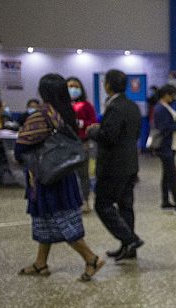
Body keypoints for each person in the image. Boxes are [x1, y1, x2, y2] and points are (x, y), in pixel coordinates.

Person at [14, 73, 105, 282]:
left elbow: (21, 148)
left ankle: (91, 258)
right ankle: (40, 263)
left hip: (46, 178)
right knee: (45, 219)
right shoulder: (66, 113)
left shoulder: (41, 115)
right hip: (63, 174)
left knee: (61, 221)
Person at [86, 69, 144, 261]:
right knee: (125, 206)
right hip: (129, 164)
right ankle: (128, 247)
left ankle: (130, 239)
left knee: (102, 204)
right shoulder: (132, 106)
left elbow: (109, 137)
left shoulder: (114, 107)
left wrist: (93, 131)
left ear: (108, 85)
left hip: (113, 167)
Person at [152, 84, 176, 215]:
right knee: (172, 176)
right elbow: (164, 128)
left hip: (168, 146)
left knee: (166, 175)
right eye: (173, 95)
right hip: (165, 146)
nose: (174, 98)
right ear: (167, 95)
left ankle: (165, 201)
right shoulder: (161, 109)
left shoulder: (164, 107)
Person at [67, 77, 98, 213]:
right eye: (70, 86)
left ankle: (85, 200)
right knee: (67, 175)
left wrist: (81, 123)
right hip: (66, 144)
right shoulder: (63, 105)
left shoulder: (86, 105)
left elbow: (93, 122)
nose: (73, 89)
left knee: (83, 174)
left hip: (82, 143)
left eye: (76, 86)